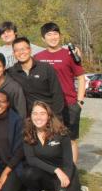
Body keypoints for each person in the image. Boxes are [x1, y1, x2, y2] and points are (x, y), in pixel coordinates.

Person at [22, 101, 92, 191]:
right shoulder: (28, 133)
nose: (38, 117)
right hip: (51, 173)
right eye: (35, 113)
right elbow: (31, 159)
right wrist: (56, 170)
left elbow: (68, 164)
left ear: (49, 116)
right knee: (27, 172)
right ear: (31, 116)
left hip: (66, 174)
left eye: (42, 113)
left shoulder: (61, 133)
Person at [35, 22, 85, 163]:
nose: (53, 37)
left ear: (60, 36)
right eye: (49, 34)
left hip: (69, 104)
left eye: (55, 33)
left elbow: (81, 78)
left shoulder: (69, 55)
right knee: (49, 138)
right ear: (43, 39)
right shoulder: (38, 57)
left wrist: (79, 102)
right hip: (47, 105)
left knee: (71, 140)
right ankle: (52, 173)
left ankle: (72, 174)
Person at [8, 37, 64, 116]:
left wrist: (55, 117)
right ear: (13, 53)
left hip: (48, 116)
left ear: (30, 50)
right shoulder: (11, 72)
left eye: (23, 49)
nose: (21, 52)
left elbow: (57, 95)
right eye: (17, 50)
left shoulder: (46, 68)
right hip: (26, 119)